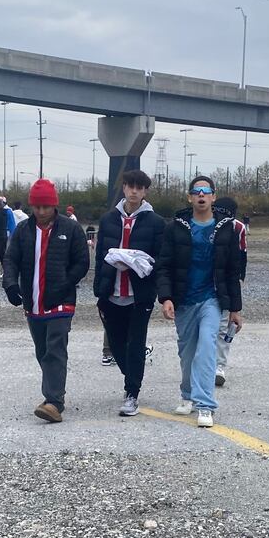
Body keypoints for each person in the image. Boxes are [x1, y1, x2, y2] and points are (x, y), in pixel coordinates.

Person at [156, 175, 243, 428]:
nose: (201, 196)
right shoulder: (175, 227)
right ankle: (187, 394)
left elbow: (232, 270)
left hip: (211, 299)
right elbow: (164, 266)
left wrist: (235, 309)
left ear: (214, 196)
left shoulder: (227, 228)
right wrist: (166, 298)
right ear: (190, 197)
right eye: (197, 191)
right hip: (184, 300)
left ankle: (206, 405)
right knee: (188, 352)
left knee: (207, 347)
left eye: (206, 191)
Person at [2, 178, 90, 424]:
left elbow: (82, 262)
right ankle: (54, 393)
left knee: (55, 348)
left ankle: (53, 402)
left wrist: (65, 283)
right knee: (42, 351)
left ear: (54, 206)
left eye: (46, 207)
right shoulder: (23, 231)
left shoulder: (71, 229)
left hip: (61, 301)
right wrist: (10, 284)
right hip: (33, 302)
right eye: (37, 207)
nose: (41, 212)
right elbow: (11, 260)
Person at [94, 170, 165, 417]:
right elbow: (100, 253)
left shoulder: (156, 222)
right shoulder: (107, 219)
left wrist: (141, 265)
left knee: (135, 343)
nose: (134, 191)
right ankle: (132, 374)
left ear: (145, 191)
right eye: (130, 186)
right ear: (123, 188)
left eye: (139, 187)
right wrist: (98, 289)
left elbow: (160, 258)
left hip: (139, 294)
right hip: (111, 292)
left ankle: (131, 392)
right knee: (115, 343)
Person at [212, 196, 247, 388]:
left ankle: (219, 366)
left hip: (227, 280)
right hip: (208, 281)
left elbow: (241, 254)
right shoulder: (206, 222)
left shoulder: (238, 227)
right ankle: (206, 364)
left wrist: (240, 276)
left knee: (225, 325)